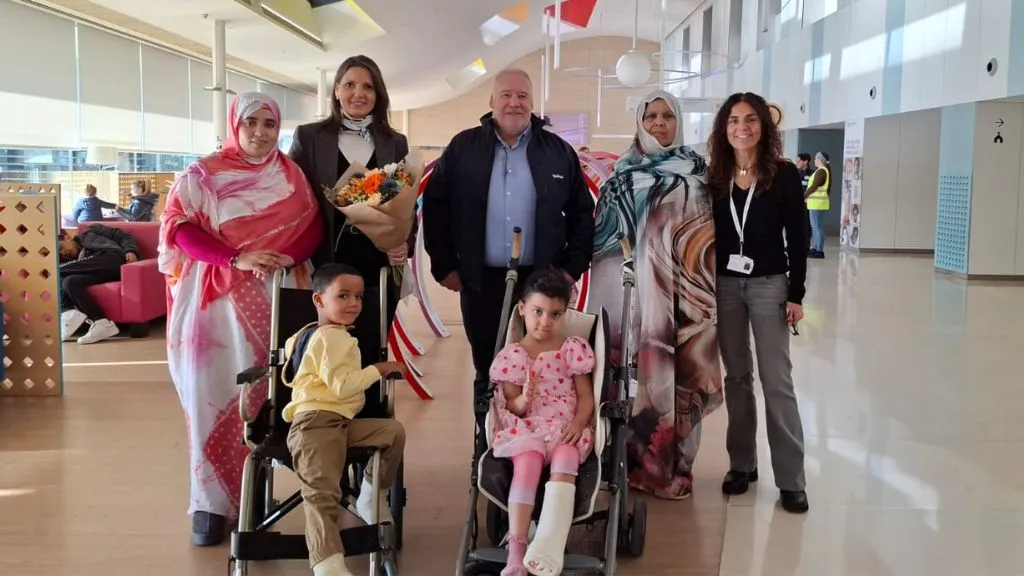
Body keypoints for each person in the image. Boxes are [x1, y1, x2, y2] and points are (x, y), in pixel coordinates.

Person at [159, 91, 322, 546]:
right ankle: (209, 504)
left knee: (263, 399)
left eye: (269, 124)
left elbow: (312, 227)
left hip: (276, 299)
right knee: (210, 394)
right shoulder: (202, 175)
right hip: (214, 307)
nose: (260, 132)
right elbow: (180, 228)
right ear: (235, 124)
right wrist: (237, 258)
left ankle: (256, 495)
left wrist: (278, 258)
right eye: (251, 122)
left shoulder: (292, 177)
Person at [421, 68, 595, 452]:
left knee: (543, 368)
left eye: (522, 96)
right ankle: (489, 450)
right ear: (491, 101)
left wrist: (568, 270)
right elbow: (435, 209)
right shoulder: (463, 148)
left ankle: (540, 446)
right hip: (481, 281)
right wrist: (445, 265)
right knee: (489, 368)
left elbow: (583, 215)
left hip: (541, 283)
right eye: (506, 95)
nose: (514, 102)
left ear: (532, 103)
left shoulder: (558, 151)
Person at [588, 90, 723, 500]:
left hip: (687, 304)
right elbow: (604, 250)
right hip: (634, 303)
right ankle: (631, 467)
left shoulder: (701, 175)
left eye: (667, 116)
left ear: (678, 122)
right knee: (633, 381)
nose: (660, 123)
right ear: (640, 123)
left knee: (682, 383)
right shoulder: (620, 178)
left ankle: (676, 470)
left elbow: (708, 240)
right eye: (652, 117)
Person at [289, 55, 412, 417]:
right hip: (328, 262)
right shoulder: (310, 137)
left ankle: (367, 438)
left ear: (379, 94)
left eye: (368, 86)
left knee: (370, 348)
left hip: (376, 264)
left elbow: (408, 200)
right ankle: (325, 431)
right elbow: (295, 197)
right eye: (350, 85)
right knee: (327, 350)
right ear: (337, 91)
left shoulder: (394, 141)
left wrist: (403, 240)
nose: (359, 93)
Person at [705, 92, 809, 514]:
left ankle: (791, 479)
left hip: (769, 283)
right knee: (737, 378)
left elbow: (799, 236)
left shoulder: (781, 174)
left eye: (750, 120)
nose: (741, 127)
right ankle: (741, 464)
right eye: (733, 120)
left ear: (764, 126)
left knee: (776, 381)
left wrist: (796, 293)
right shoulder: (715, 174)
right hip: (726, 285)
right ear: (723, 128)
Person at [283, 264, 406, 576]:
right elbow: (342, 386)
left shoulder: (307, 334)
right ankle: (328, 564)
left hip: (340, 424)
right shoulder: (333, 339)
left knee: (391, 432)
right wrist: (379, 369)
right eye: (344, 296)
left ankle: (368, 495)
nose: (354, 303)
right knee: (321, 493)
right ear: (319, 300)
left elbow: (289, 354)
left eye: (359, 297)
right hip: (317, 424)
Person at [488, 270, 595, 576]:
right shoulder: (513, 356)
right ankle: (517, 549)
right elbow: (512, 406)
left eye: (555, 314)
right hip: (529, 427)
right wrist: (524, 397)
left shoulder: (571, 348)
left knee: (566, 461)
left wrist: (578, 422)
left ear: (565, 314)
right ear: (522, 308)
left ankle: (548, 543)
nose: (545, 322)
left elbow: (585, 395)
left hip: (564, 426)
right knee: (528, 464)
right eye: (537, 312)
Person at [58, 224, 140, 344]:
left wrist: (131, 250)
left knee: (56, 271)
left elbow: (123, 236)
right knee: (69, 282)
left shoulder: (90, 231)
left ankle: (67, 312)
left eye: (61, 247)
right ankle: (101, 322)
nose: (63, 253)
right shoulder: (75, 262)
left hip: (111, 258)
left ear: (67, 238)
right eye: (59, 253)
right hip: (100, 272)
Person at [805, 151, 831, 258]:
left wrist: (803, 195)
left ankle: (819, 250)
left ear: (820, 160)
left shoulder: (822, 172)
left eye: (816, 158)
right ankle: (815, 248)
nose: (814, 160)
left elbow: (813, 187)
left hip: (818, 204)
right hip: (814, 204)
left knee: (817, 227)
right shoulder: (820, 171)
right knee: (815, 227)